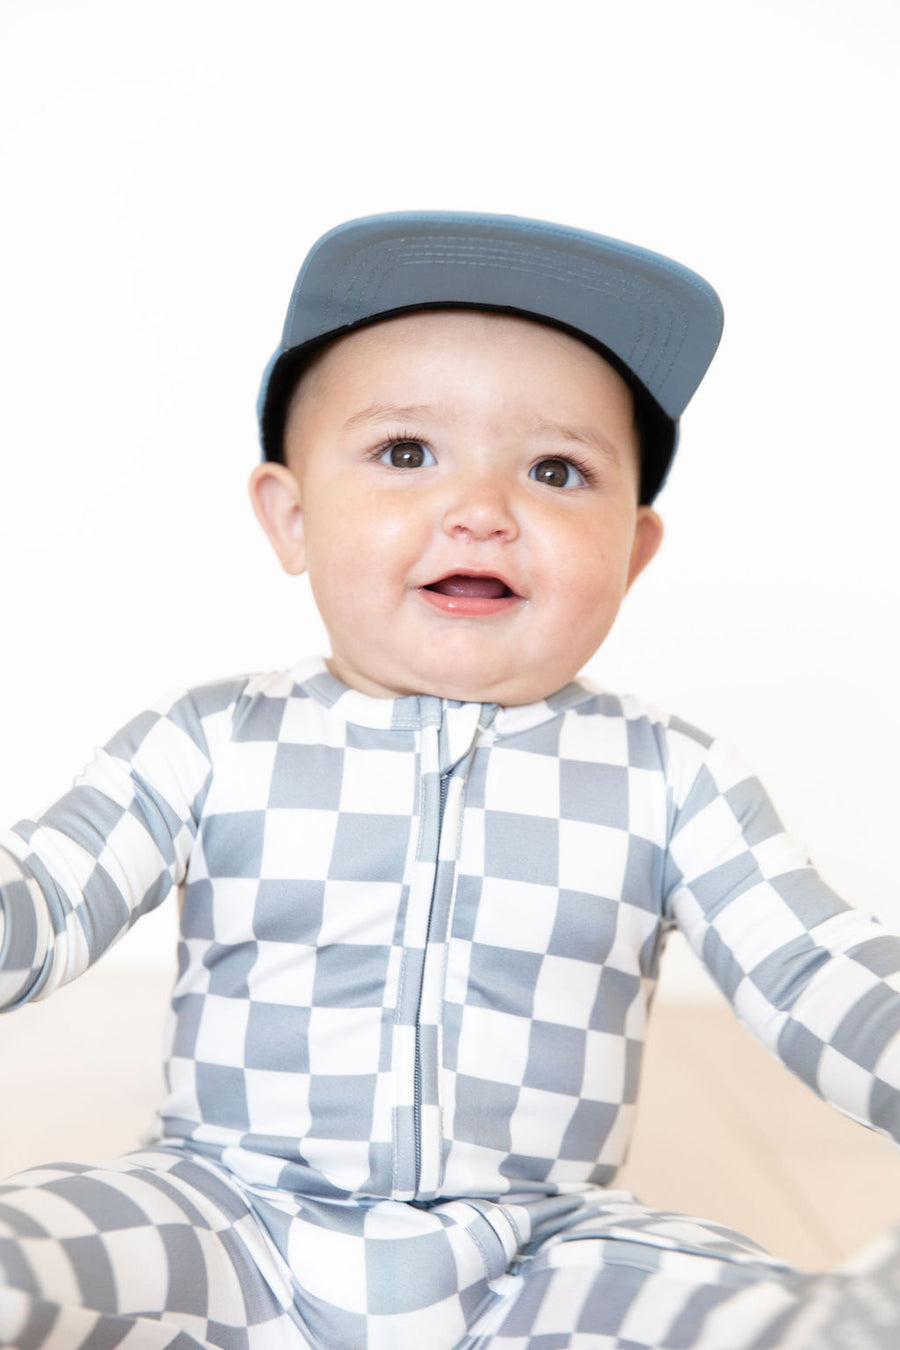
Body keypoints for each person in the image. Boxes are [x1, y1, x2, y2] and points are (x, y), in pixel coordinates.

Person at [0, 211, 898, 1350]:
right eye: (407, 453)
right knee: (31, 1255)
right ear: (292, 517)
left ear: (630, 552)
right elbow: (43, 895)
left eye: (557, 470)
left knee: (740, 1307)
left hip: (540, 1247)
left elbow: (816, 969)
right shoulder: (209, 739)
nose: (482, 510)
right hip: (224, 1213)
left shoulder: (672, 776)